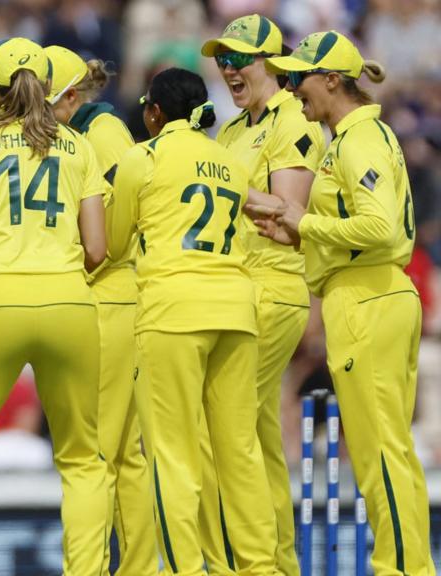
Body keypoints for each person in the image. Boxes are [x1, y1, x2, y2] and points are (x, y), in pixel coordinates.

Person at [255, 31, 435, 575]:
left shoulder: (358, 140)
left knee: (379, 451)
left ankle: (402, 569)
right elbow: (357, 229)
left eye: (298, 77)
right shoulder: (353, 137)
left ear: (332, 79)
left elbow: (379, 228)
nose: (291, 88)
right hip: (370, 293)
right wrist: (300, 235)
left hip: (368, 297)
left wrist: (301, 220)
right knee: (387, 448)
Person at [0, 37, 110, 574]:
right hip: (68, 304)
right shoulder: (80, 147)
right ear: (48, 88)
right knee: (83, 461)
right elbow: (97, 249)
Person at [107, 67, 279, 574]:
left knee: (173, 455)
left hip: (173, 312)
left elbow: (114, 246)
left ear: (155, 112)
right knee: (240, 452)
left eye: (146, 108)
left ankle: (188, 568)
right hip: (236, 309)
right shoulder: (228, 160)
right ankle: (259, 567)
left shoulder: (142, 157)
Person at [198, 15, 325, 574]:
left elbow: (287, 211)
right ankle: (276, 561)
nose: (228, 69)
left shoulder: (292, 120)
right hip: (237, 288)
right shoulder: (231, 130)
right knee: (256, 435)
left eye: (241, 59)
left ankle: (245, 565)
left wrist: (206, 182)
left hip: (272, 288)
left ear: (272, 62)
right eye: (223, 59)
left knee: (221, 422)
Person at [44, 45, 155, 574]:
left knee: (95, 450)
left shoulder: (102, 131)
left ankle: (85, 567)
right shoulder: (85, 129)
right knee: (126, 455)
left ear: (71, 94)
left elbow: (118, 222)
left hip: (109, 291)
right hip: (115, 293)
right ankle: (134, 566)